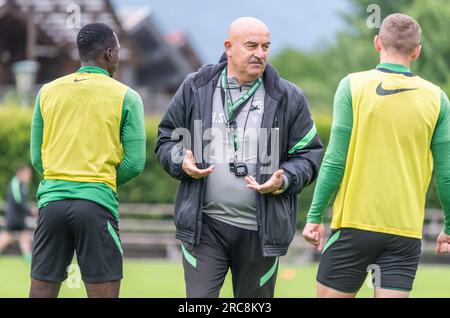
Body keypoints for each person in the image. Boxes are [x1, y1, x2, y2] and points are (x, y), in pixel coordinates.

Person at [156, 17, 323, 298]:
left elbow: (309, 155)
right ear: (229, 47)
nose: (260, 53)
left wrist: (285, 179)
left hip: (261, 232)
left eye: (265, 46)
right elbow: (166, 138)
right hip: (204, 226)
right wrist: (179, 161)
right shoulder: (196, 86)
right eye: (251, 46)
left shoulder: (289, 96)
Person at [303, 13, 450, 298]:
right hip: (404, 233)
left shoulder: (352, 85)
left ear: (377, 43)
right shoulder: (437, 98)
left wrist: (314, 216)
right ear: (417, 50)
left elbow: (334, 159)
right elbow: (446, 174)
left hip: (354, 227)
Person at [29, 23, 146, 298]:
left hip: (51, 206)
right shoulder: (127, 96)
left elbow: (38, 157)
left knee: (41, 292)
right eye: (117, 50)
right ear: (110, 54)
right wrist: (97, 183)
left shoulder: (47, 91)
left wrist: (64, 179)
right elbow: (135, 162)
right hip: (96, 206)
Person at [0, 166, 37, 262]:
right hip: (13, 218)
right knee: (7, 236)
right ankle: (29, 259)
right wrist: (30, 210)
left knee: (24, 236)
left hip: (19, 217)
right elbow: (18, 201)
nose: (29, 176)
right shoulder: (15, 183)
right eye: (27, 173)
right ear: (20, 173)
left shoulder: (22, 185)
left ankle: (29, 259)